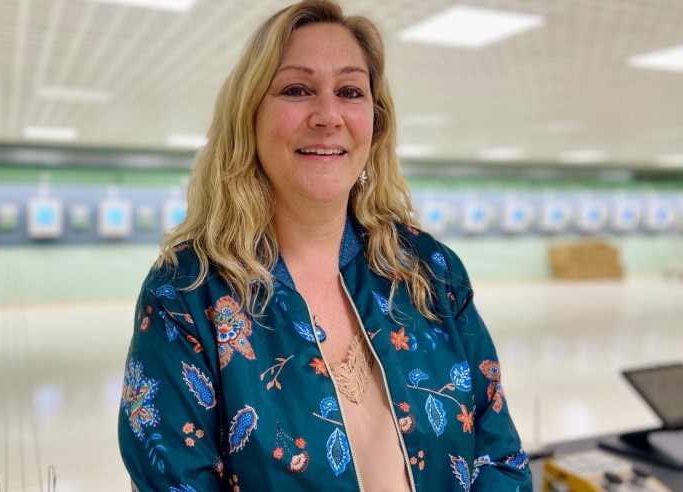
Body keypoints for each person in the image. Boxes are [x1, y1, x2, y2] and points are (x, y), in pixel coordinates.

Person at [118, 1, 531, 490]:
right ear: (249, 115)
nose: (328, 115)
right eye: (296, 89)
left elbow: (500, 458)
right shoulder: (186, 294)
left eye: (350, 91)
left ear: (375, 122)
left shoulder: (430, 270)